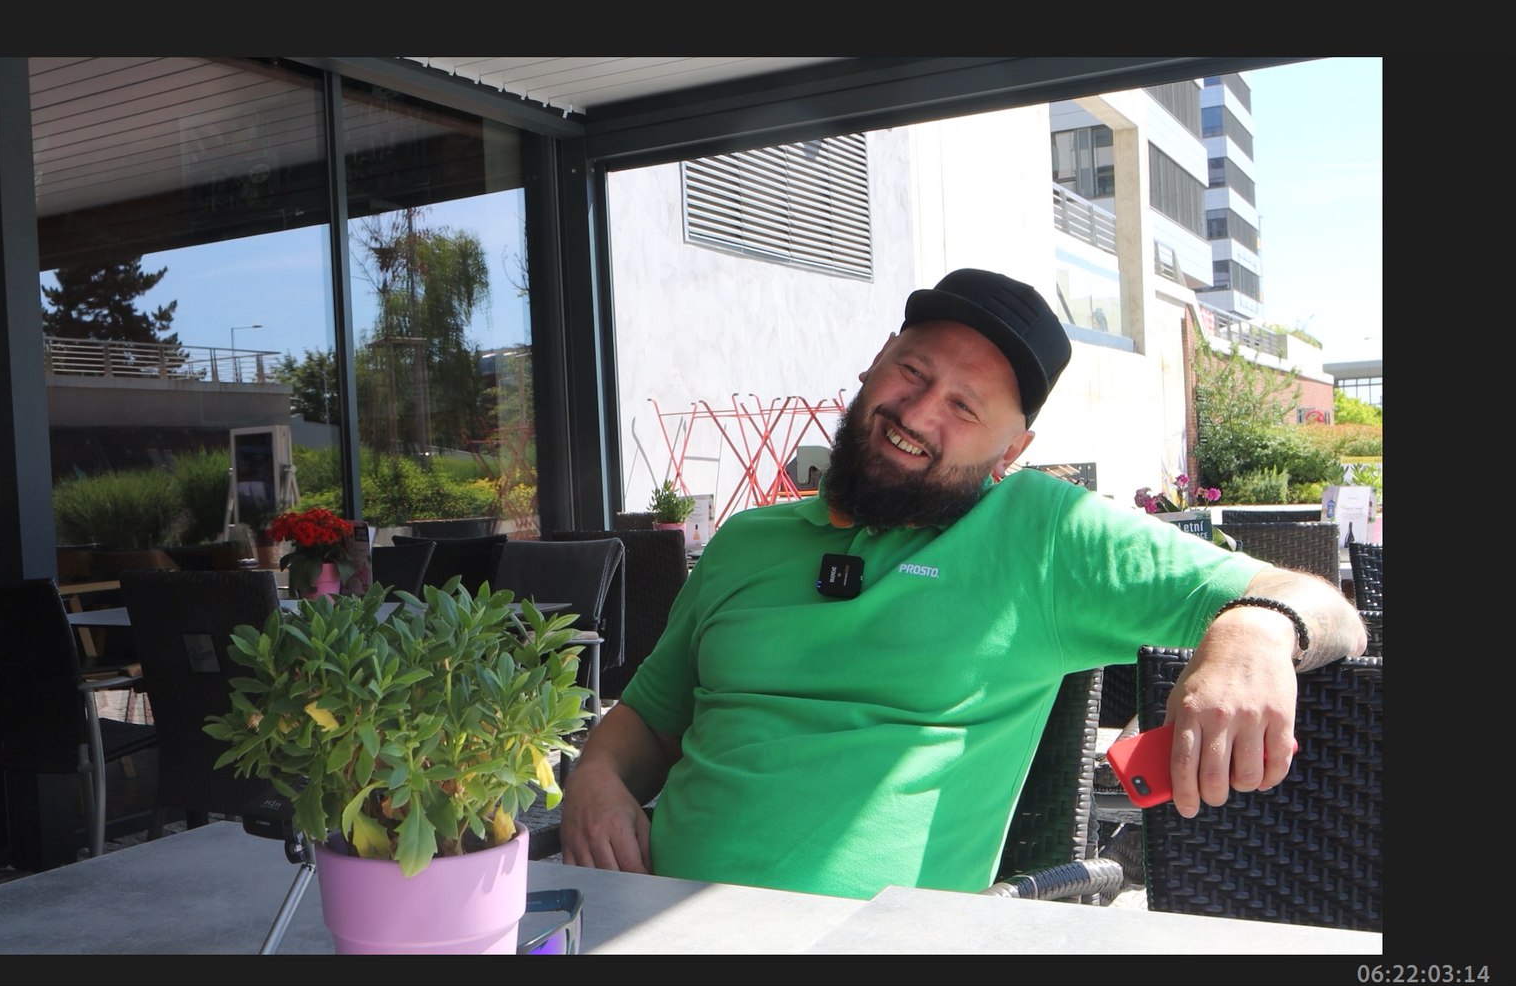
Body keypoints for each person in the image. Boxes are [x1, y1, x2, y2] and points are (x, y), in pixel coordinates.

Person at [560, 268, 1366, 900]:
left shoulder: (1043, 535)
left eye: (964, 407)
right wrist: (596, 777)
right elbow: (649, 720)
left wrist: (1252, 631)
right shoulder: (745, 541)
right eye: (911, 372)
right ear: (877, 360)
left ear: (1011, 452)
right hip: (656, 922)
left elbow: (1328, 607)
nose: (917, 414)